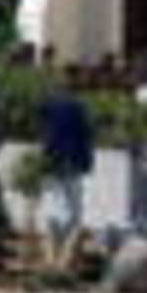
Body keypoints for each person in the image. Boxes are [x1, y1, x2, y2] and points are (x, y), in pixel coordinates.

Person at [38, 85, 96, 242]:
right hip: (74, 159)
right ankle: (67, 240)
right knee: (74, 202)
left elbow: (43, 129)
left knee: (54, 199)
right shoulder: (80, 107)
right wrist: (88, 162)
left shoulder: (48, 105)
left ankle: (55, 238)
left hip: (53, 159)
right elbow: (87, 134)